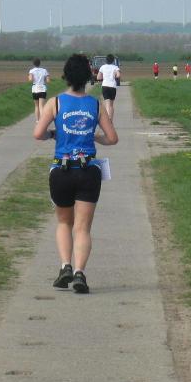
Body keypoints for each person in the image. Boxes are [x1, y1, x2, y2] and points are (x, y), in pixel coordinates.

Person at [34, 54, 119, 294]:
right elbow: (112, 138)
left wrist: (53, 134)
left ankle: (66, 266)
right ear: (87, 77)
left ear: (66, 76)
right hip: (88, 170)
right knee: (82, 228)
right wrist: (95, 137)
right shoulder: (95, 104)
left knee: (64, 222)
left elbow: (38, 134)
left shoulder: (55, 102)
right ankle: (80, 273)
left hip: (61, 170)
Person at [97, 53, 120, 121]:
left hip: (105, 86)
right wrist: (115, 75)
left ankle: (108, 119)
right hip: (112, 86)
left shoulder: (102, 67)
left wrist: (103, 77)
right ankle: (110, 120)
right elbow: (118, 75)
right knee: (111, 105)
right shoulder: (115, 67)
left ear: (106, 60)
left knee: (107, 104)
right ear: (113, 60)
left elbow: (98, 77)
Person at [28, 57, 51, 122]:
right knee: (41, 106)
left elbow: (30, 79)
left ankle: (37, 120)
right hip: (42, 89)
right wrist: (45, 79)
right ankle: (42, 121)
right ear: (40, 63)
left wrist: (30, 77)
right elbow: (48, 81)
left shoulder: (31, 71)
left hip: (35, 89)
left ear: (33, 63)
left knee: (36, 106)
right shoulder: (44, 70)